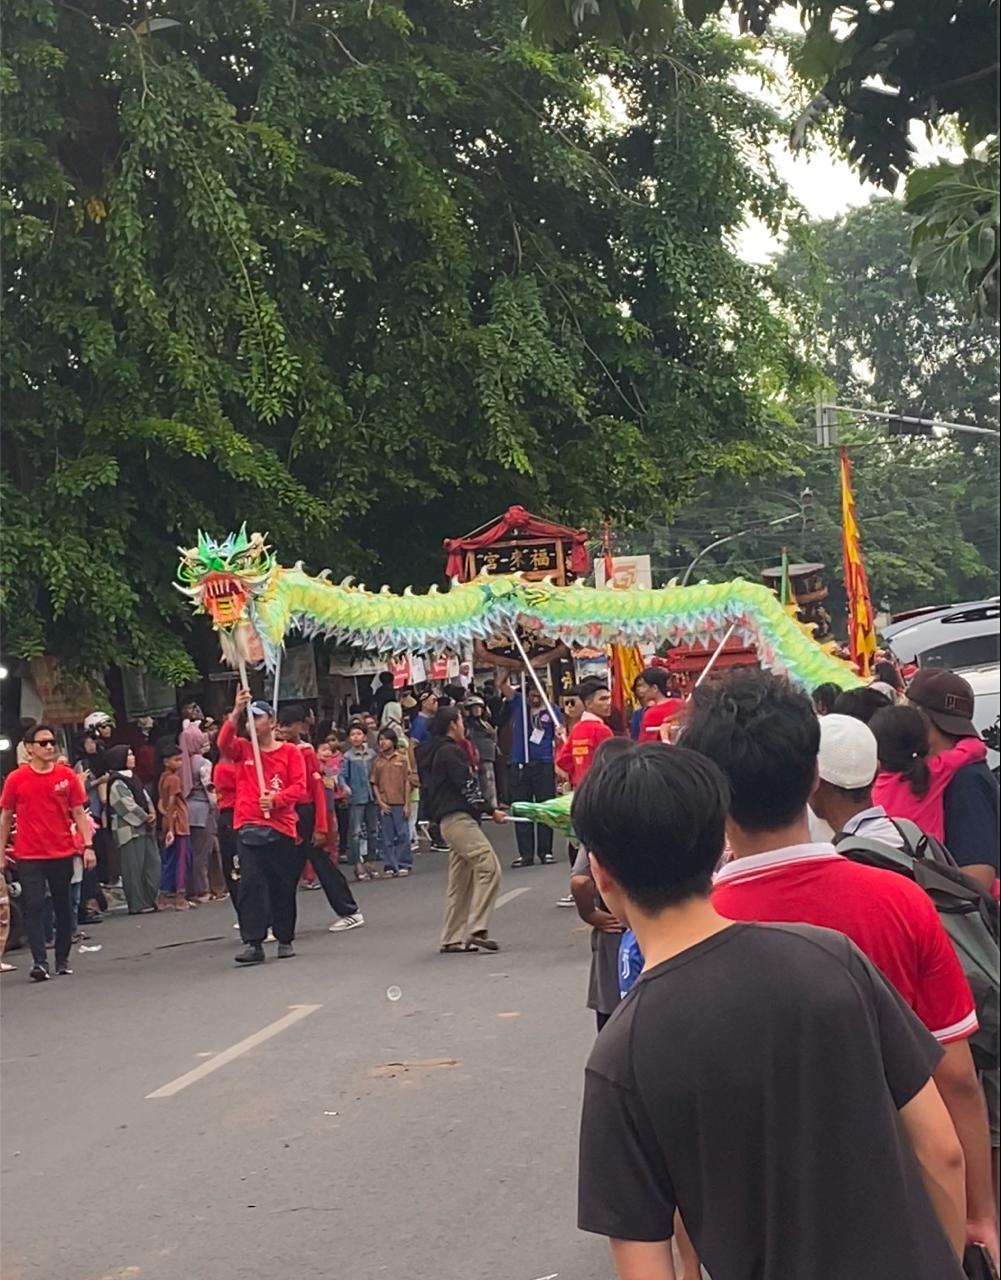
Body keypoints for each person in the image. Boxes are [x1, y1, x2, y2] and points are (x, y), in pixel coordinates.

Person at [572, 737, 968, 1280]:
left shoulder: (621, 1056)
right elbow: (940, 1148)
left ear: (602, 872)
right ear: (717, 845)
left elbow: (645, 1263)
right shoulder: (830, 958)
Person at [684, 673, 997, 1265]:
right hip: (903, 1208)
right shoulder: (899, 899)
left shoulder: (700, 924)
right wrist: (979, 1214)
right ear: (811, 778)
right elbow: (956, 1078)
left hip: (764, 1228)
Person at [218, 692, 310, 964]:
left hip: (280, 827)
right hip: (248, 826)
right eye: (249, 719)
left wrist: (276, 799)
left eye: (256, 717)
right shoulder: (244, 750)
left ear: (271, 722)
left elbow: (299, 788)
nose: (251, 723)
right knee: (250, 885)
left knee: (281, 885)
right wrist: (235, 711)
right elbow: (223, 743)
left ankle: (284, 936)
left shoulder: (290, 752)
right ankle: (253, 941)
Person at [0, 724, 95, 981]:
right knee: (34, 905)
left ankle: (62, 958)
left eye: (52, 742)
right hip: (29, 854)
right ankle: (39, 962)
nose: (50, 747)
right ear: (29, 748)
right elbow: (6, 815)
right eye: (43, 743)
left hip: (62, 851)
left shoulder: (66, 777)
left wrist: (87, 846)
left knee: (63, 906)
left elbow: (78, 812)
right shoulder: (16, 779)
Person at [418, 707, 505, 953]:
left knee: (460, 881)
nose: (463, 726)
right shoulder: (450, 752)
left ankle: (451, 937)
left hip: (448, 821)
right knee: (489, 867)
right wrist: (490, 809)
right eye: (460, 721)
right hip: (459, 819)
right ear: (452, 725)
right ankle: (478, 928)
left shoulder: (432, 751)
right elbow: (467, 785)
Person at [907, 667, 1000, 893]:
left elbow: (978, 876)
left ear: (922, 718)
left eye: (907, 712)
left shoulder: (965, 781)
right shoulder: (950, 772)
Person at [279, 705, 363, 928]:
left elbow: (317, 789)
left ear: (300, 726)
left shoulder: (305, 752)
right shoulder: (279, 750)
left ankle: (349, 910)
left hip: (305, 813)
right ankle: (274, 920)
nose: (283, 730)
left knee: (321, 864)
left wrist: (321, 825)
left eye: (288, 725)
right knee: (286, 869)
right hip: (288, 813)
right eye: (281, 725)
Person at [871, 703, 987, 840]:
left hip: (890, 858)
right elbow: (975, 748)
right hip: (932, 858)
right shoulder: (935, 770)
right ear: (925, 739)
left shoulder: (874, 788)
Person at [500, 672, 561, 867]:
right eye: (532, 695)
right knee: (521, 809)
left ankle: (546, 851)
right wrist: (512, 666)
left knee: (544, 808)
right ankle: (526, 854)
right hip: (520, 763)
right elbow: (501, 683)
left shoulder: (552, 711)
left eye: (538, 695)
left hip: (543, 764)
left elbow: (559, 738)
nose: (535, 699)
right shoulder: (519, 704)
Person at [105, 745, 160, 914]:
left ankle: (150, 898)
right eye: (128, 755)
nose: (132, 757)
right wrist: (145, 817)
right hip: (128, 830)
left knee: (152, 864)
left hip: (144, 828)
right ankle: (137, 903)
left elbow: (145, 797)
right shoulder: (116, 782)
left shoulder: (133, 778)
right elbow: (124, 805)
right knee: (133, 868)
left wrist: (151, 813)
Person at [554, 677, 613, 788]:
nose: (608, 703)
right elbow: (612, 763)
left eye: (609, 698)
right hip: (601, 788)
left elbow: (563, 760)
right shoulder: (602, 730)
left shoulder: (576, 729)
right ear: (588, 703)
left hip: (581, 788)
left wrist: (578, 774)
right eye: (603, 699)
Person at [371, 727, 414, 877]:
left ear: (393, 741)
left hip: (399, 801)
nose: (383, 742)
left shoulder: (401, 759)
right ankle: (389, 864)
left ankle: (404, 863)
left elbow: (407, 782)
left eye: (385, 739)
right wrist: (380, 802)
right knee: (386, 835)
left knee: (402, 834)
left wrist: (407, 804)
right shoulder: (377, 762)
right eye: (380, 739)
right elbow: (374, 783)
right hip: (384, 802)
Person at [180, 722, 216, 903]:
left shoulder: (182, 762)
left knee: (191, 852)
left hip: (187, 810)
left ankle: (190, 888)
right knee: (203, 853)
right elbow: (210, 788)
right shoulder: (203, 763)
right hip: (203, 810)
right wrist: (215, 806)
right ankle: (202, 889)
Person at [340, 720, 378, 881]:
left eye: (359, 734)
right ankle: (357, 863)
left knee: (373, 831)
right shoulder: (347, 756)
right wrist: (345, 787)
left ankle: (371, 861)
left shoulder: (372, 754)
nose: (356, 737)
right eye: (353, 734)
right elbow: (341, 775)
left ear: (364, 736)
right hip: (356, 796)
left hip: (371, 795)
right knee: (355, 832)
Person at [157, 740, 192, 910]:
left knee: (169, 860)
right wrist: (172, 827)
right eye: (175, 760)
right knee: (181, 860)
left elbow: (162, 803)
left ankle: (163, 896)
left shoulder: (163, 778)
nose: (179, 763)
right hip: (178, 824)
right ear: (166, 761)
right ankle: (180, 896)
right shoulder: (174, 779)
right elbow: (171, 803)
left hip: (169, 821)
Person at [464, 696, 499, 810]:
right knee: (476, 781)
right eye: (474, 708)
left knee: (489, 781)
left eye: (479, 707)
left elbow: (494, 736)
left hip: (488, 755)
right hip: (473, 757)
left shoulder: (485, 724)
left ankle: (491, 805)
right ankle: (478, 805)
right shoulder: (467, 725)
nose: (477, 710)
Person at [635, 667, 683, 743]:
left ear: (654, 688)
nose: (640, 690)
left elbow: (645, 743)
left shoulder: (652, 713)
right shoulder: (681, 704)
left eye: (644, 686)